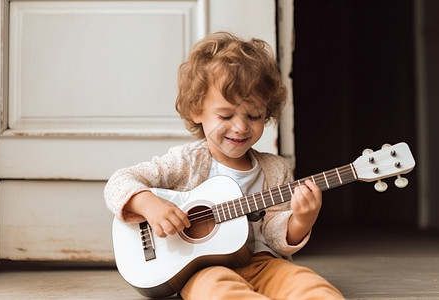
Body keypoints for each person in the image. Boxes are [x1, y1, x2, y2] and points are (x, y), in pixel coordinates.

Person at [104, 32, 344, 299]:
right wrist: (149, 204)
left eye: (254, 115)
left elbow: (275, 235)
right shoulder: (187, 161)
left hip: (262, 263)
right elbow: (120, 181)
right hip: (202, 270)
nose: (241, 127)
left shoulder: (275, 169)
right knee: (220, 292)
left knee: (309, 284)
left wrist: (301, 220)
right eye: (226, 115)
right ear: (197, 110)